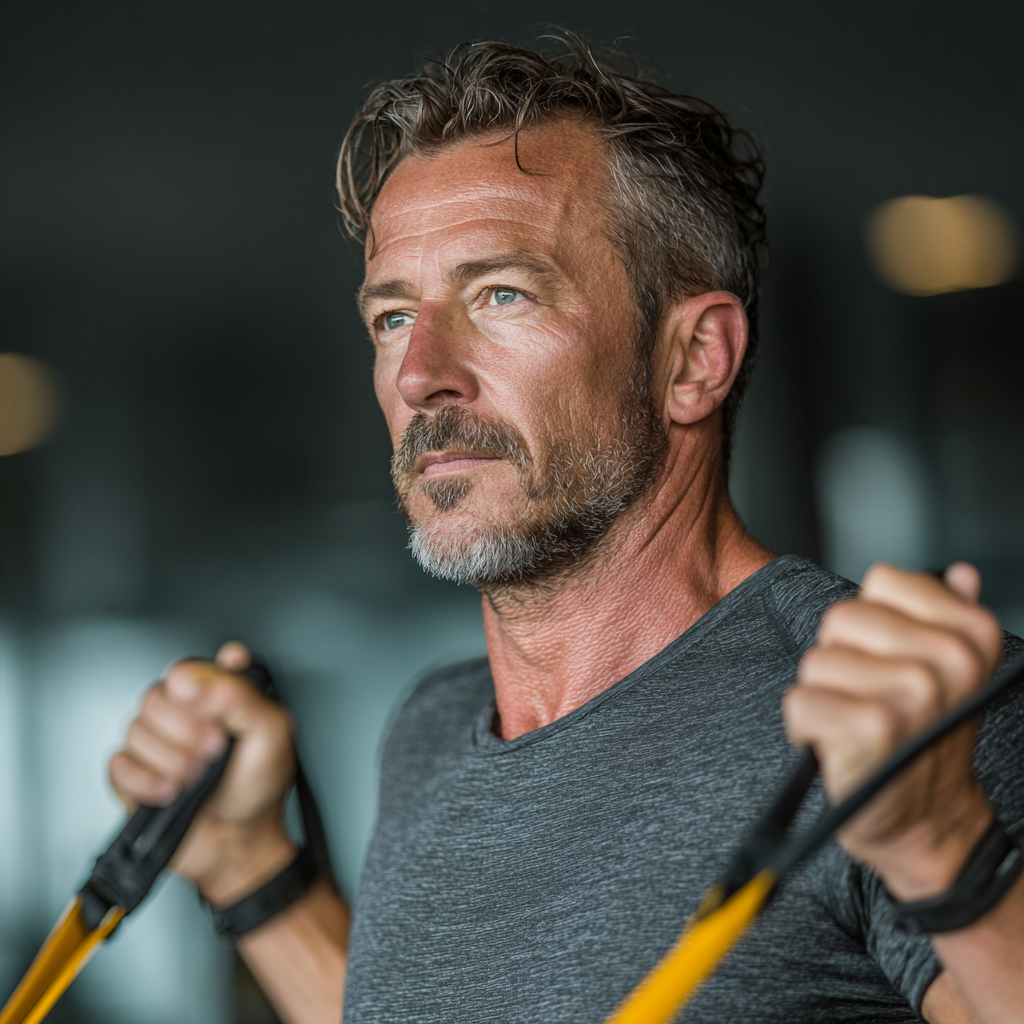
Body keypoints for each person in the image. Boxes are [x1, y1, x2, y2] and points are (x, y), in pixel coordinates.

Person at [108, 35, 1024, 1024]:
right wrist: (252, 872)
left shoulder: (912, 727)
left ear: (692, 360)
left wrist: (944, 852)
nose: (421, 376)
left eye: (501, 295)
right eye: (391, 318)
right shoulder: (430, 733)